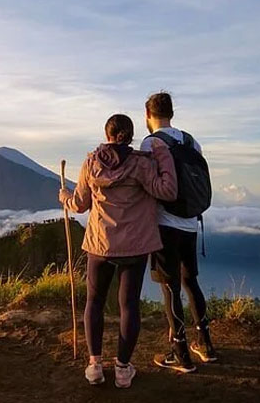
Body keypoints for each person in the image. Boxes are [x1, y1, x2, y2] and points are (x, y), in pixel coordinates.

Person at [59, 114, 178, 389]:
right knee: (129, 307)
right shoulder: (142, 164)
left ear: (107, 134)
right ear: (131, 135)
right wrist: (162, 154)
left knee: (95, 302)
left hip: (100, 246)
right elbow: (168, 191)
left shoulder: (92, 163)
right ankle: (123, 369)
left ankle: (94, 366)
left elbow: (79, 204)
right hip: (135, 248)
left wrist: (64, 197)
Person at [140, 92, 218, 374]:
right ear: (172, 113)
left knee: (169, 286)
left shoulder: (151, 142)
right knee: (190, 281)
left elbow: (148, 182)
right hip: (191, 222)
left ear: (148, 116)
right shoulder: (190, 141)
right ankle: (206, 345)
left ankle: (180, 351)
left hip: (165, 224)